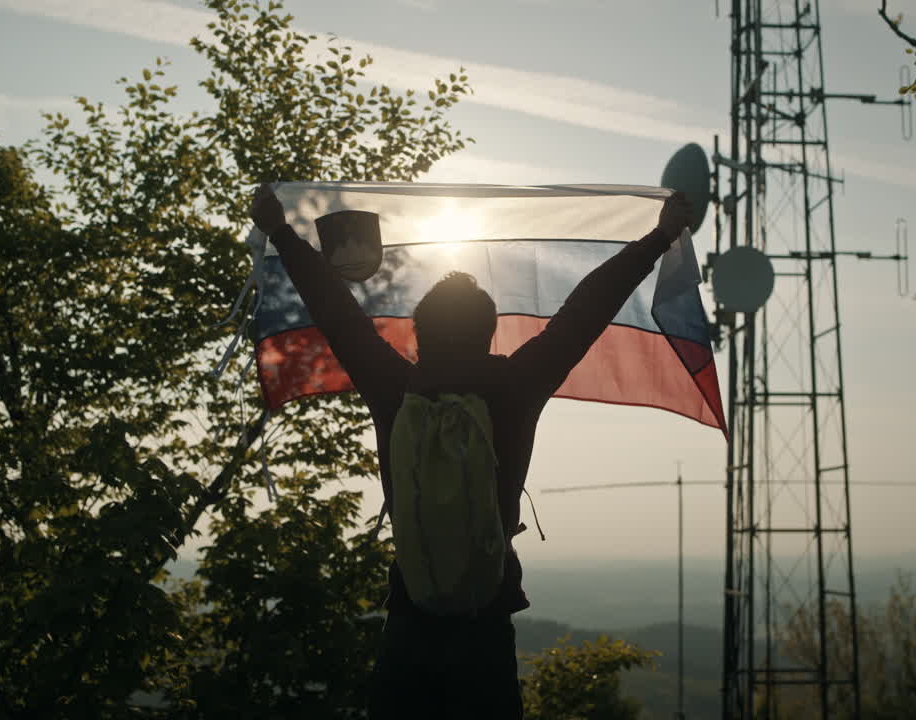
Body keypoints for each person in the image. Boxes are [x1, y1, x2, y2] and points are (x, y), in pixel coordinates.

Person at [249, 184, 693, 719]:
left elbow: (335, 308)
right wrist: (660, 236)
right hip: (486, 628)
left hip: (409, 629)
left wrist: (279, 232)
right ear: (489, 334)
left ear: (419, 335)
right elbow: (587, 307)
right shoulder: (517, 384)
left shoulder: (395, 387)